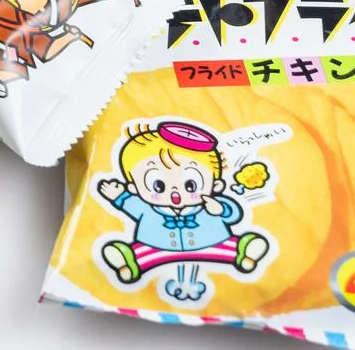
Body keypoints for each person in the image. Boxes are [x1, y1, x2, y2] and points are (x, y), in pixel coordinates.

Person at [95, 120, 271, 287]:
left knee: (231, 247)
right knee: (141, 254)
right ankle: (128, 261)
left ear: (216, 185)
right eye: (158, 186)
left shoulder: (211, 205)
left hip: (214, 242)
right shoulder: (146, 209)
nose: (175, 192)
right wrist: (119, 196)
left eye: (190, 185)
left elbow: (233, 214)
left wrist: (220, 209)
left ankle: (244, 251)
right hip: (156, 247)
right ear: (134, 187)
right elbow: (131, 204)